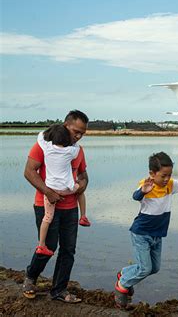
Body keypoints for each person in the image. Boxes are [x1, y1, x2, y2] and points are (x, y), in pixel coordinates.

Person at [114, 152, 178, 308]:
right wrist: (143, 191)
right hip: (141, 234)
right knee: (145, 268)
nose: (166, 179)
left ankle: (125, 273)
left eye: (169, 175)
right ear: (152, 173)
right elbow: (136, 196)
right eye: (163, 176)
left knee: (154, 268)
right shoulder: (146, 185)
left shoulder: (170, 185)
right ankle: (122, 285)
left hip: (157, 235)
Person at [22, 110, 89, 303]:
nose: (78, 136)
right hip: (45, 203)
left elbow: (83, 175)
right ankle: (31, 277)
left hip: (70, 207)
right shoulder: (43, 146)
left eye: (82, 133)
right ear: (65, 125)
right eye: (76, 131)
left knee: (68, 249)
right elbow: (29, 171)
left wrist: (82, 186)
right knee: (49, 246)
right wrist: (48, 192)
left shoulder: (78, 150)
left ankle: (58, 290)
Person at [35, 124, 89, 256]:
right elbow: (76, 147)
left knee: (47, 218)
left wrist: (48, 132)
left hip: (50, 189)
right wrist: (82, 184)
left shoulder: (46, 148)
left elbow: (40, 137)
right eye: (76, 132)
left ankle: (41, 245)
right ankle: (83, 216)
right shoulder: (71, 151)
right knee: (80, 188)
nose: (78, 137)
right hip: (66, 189)